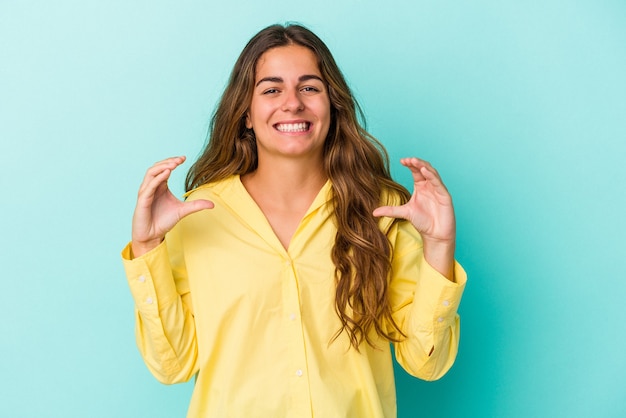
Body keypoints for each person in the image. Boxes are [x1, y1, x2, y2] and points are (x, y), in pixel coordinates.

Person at [121, 23, 466, 418]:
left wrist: (439, 247)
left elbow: (426, 362)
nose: (292, 103)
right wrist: (148, 248)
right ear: (246, 114)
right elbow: (173, 365)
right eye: (271, 89)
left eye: (309, 87)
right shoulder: (197, 214)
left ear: (332, 106)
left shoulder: (383, 212)